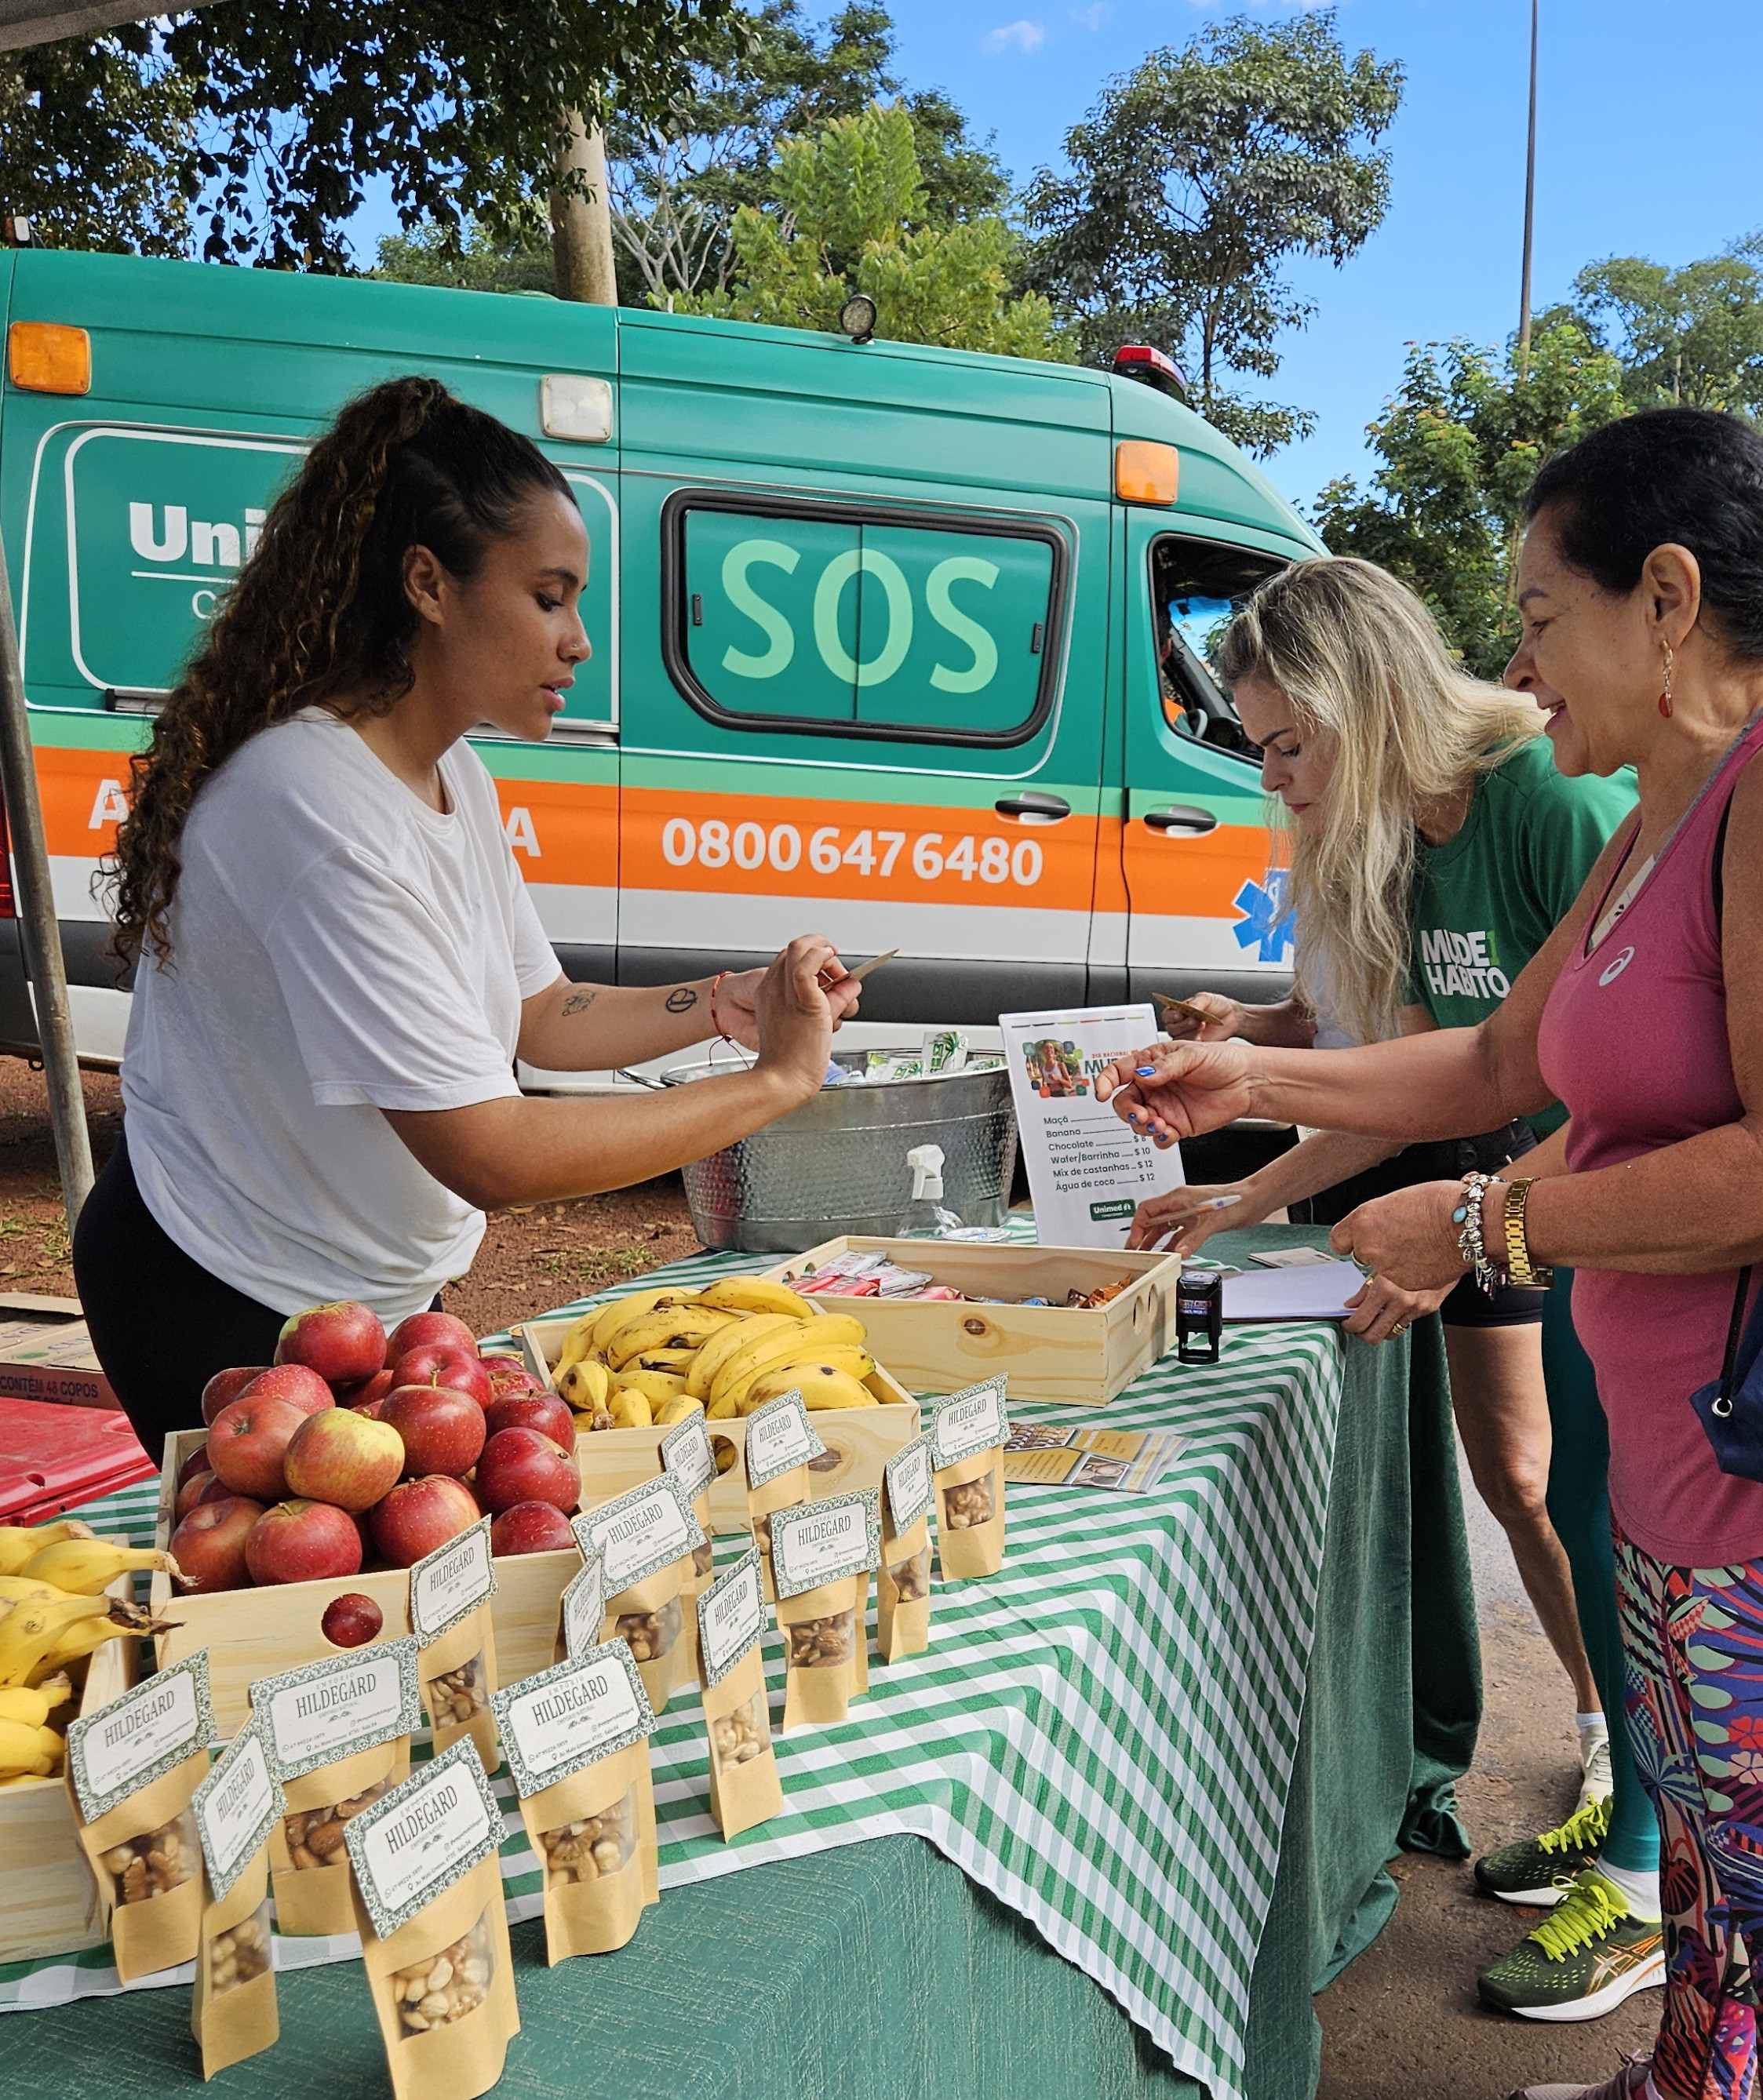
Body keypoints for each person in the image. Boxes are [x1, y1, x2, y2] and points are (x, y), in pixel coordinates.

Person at [1095, 406, 1763, 2100]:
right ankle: (1682, 2063)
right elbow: (1478, 1069)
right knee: (1711, 1877)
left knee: (1748, 1872)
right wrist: (1249, 1075)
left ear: (1666, 598)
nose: (1521, 676)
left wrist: (1480, 1221)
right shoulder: (1644, 825)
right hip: (1677, 1476)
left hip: (1741, 1478)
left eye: (1539, 620)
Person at [74, 377, 861, 1455]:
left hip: (371, 1300)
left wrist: (729, 1003)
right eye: (549, 597)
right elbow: (489, 1149)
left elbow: (542, 1010)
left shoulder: (454, 776)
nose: (579, 639)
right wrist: (774, 1082)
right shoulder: (313, 804)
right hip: (227, 1291)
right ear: (428, 583)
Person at [1127, 559, 1653, 2022]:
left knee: (1625, 1530)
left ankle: (1654, 1863)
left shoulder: (1563, 804)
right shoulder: (1416, 841)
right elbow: (1462, 1068)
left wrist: (1479, 1221)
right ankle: (1642, 1836)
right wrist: (1250, 1150)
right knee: (1593, 1518)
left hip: (1595, 1231)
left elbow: (1616, 1093)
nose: (1277, 779)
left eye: (1291, 744)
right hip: (1540, 1222)